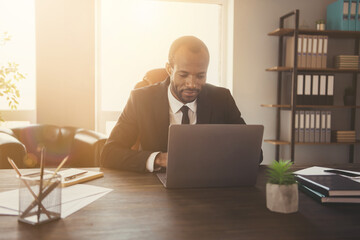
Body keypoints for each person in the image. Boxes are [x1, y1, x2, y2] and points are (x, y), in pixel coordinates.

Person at [101, 36, 262, 172]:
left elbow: (255, 153)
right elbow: (109, 154)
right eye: (183, 75)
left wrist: (217, 159)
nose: (192, 84)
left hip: (210, 188)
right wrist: (159, 159)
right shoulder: (141, 99)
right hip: (156, 191)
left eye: (200, 76)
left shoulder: (222, 98)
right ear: (169, 69)